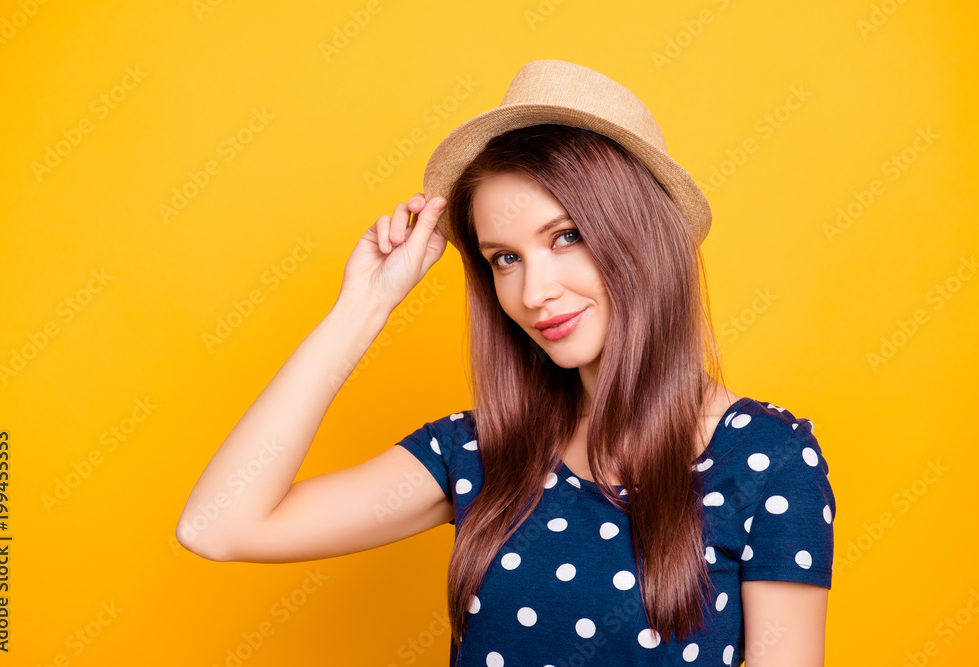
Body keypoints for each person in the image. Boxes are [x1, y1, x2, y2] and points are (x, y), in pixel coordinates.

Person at [176, 60, 836, 666]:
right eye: (504, 257)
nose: (532, 291)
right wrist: (364, 306)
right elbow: (218, 525)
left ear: (642, 235)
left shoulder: (769, 458)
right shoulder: (479, 450)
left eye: (565, 237)